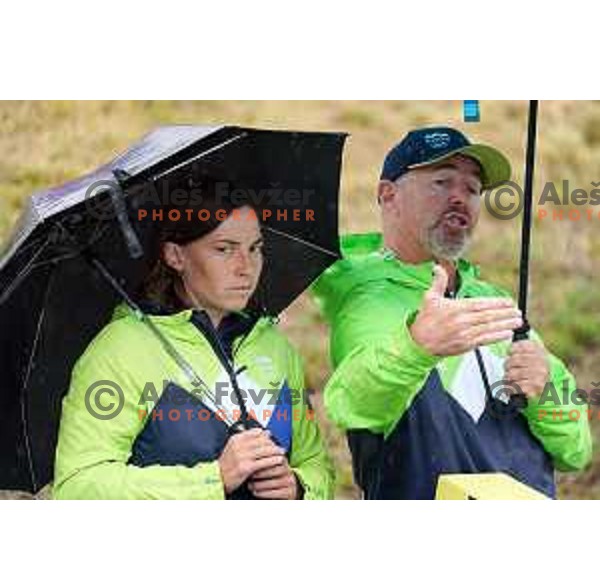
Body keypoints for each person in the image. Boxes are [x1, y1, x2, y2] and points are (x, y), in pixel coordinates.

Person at [313, 126, 592, 499]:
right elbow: (352, 406)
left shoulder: (496, 302)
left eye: (473, 189)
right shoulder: (368, 301)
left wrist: (543, 394)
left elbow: (575, 450)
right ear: (388, 194)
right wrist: (417, 347)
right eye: (442, 182)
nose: (460, 197)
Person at [53, 180, 334, 499]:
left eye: (255, 248)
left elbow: (316, 465)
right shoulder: (120, 350)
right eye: (224, 249)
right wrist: (213, 479)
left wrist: (298, 487)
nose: (246, 268)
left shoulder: (272, 344)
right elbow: (77, 488)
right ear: (175, 255)